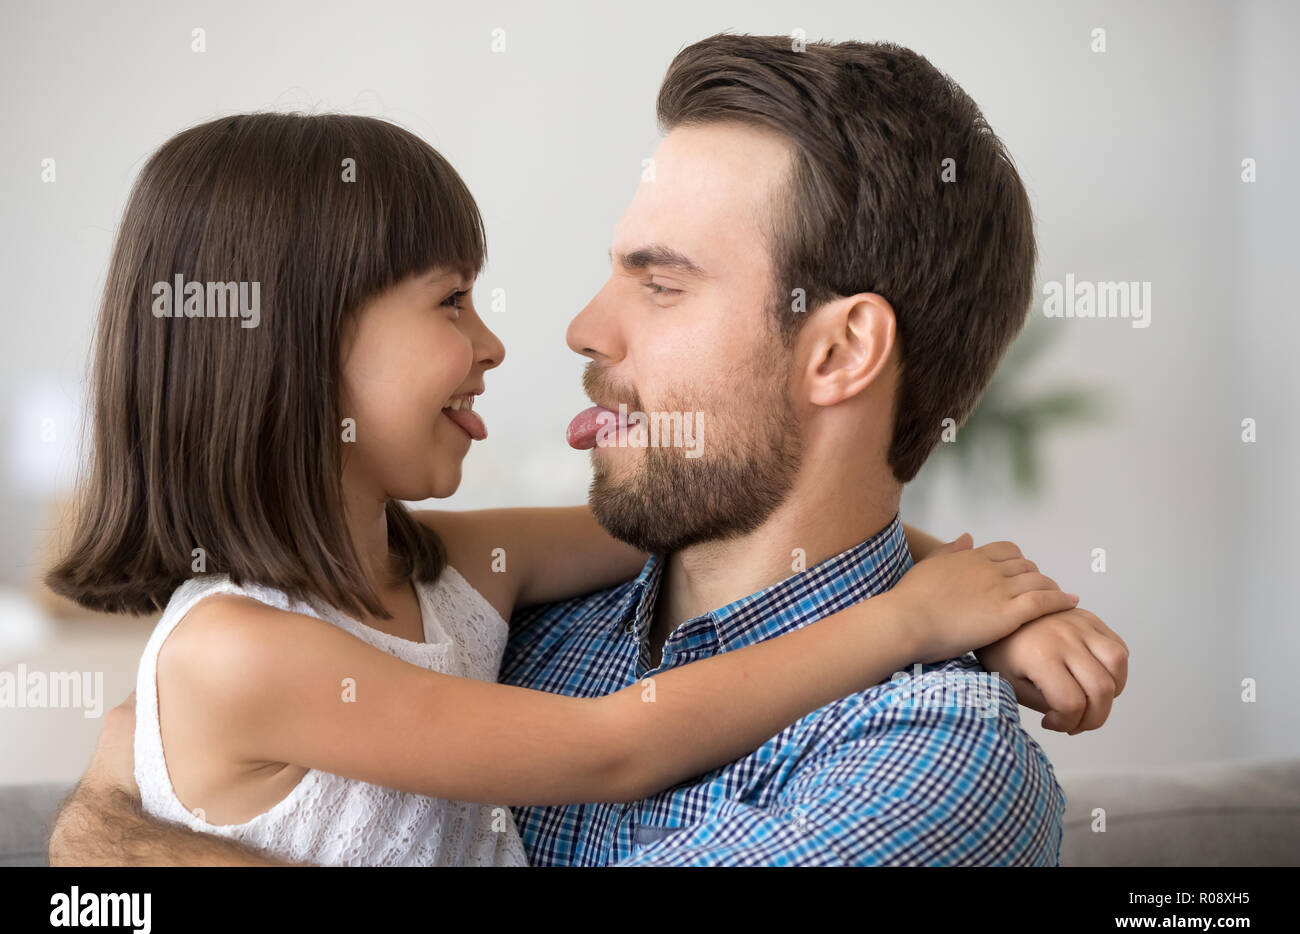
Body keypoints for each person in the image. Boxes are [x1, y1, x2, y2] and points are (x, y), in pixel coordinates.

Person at [49, 36, 1128, 867]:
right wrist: (105, 821)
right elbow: (132, 761)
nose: (575, 328)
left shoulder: (927, 767)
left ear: (839, 348)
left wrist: (963, 602)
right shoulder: (520, 619)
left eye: (660, 282)